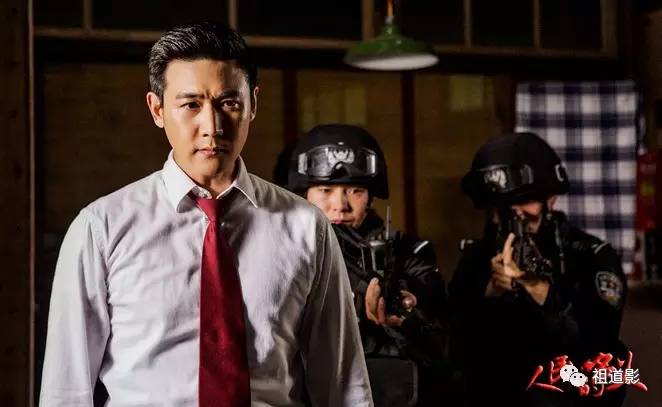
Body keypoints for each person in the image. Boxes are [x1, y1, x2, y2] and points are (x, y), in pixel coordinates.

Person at [39, 22, 372, 407]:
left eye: (228, 103)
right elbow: (66, 391)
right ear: (157, 109)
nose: (212, 127)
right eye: (191, 105)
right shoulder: (102, 229)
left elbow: (344, 386)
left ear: (253, 104)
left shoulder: (306, 227)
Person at [450, 132, 627, 406]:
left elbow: (600, 337)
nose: (515, 214)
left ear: (551, 199)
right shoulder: (477, 256)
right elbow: (455, 338)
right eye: (501, 207)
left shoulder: (590, 255)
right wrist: (491, 292)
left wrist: (538, 288)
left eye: (525, 200)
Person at [287, 124, 447, 406]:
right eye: (325, 190)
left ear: (371, 196)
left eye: (355, 191)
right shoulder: (285, 251)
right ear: (305, 193)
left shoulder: (408, 252)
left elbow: (441, 347)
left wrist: (404, 312)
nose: (340, 205)